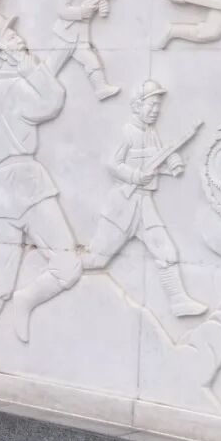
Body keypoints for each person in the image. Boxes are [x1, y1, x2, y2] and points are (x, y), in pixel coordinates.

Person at [0, 15, 83, 358]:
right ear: (2, 54)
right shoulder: (16, 89)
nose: (19, 39)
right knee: (67, 264)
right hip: (24, 184)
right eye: (11, 38)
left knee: (2, 278)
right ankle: (27, 300)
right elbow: (53, 100)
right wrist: (29, 67)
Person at [82, 80, 207, 316]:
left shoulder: (151, 134)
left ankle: (178, 302)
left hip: (144, 202)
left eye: (158, 106)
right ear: (137, 105)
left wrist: (172, 165)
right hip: (123, 204)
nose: (156, 110)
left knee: (165, 250)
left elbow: (157, 161)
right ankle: (59, 274)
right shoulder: (126, 132)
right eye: (151, 105)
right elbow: (111, 163)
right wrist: (135, 176)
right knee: (96, 259)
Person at [54, 0, 120, 101]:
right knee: (51, 68)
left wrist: (102, 7)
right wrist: (81, 12)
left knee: (91, 61)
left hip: (81, 35)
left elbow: (91, 4)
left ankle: (101, 89)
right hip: (66, 35)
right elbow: (61, 10)